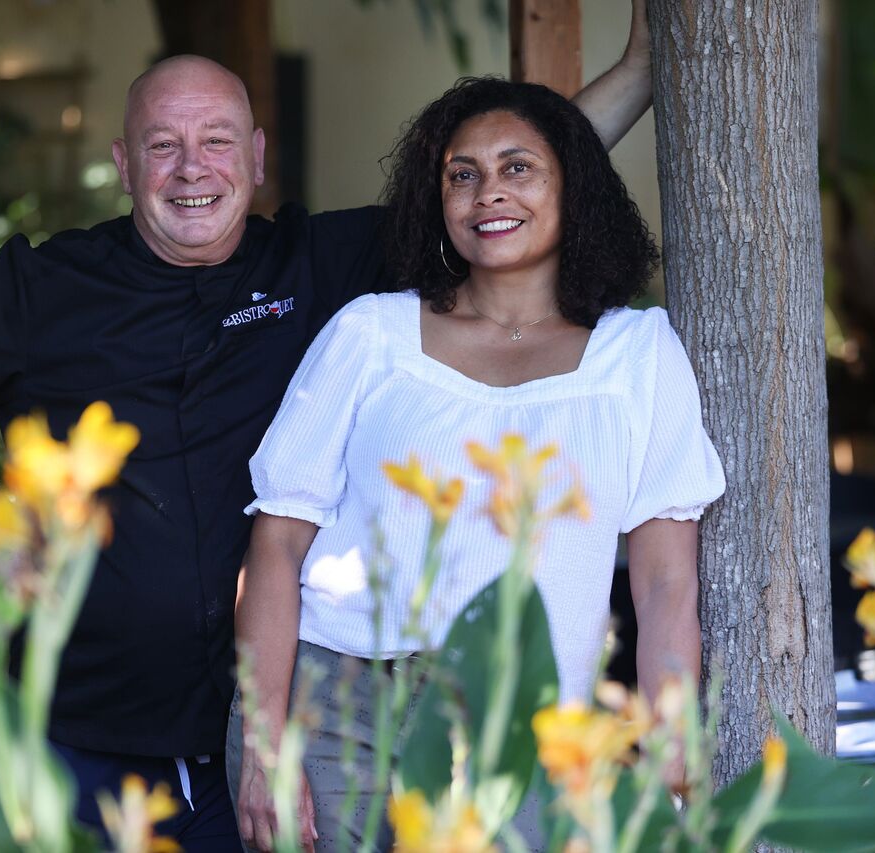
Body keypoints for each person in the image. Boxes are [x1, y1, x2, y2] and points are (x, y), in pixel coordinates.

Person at [0, 12, 654, 849]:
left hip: (263, 737)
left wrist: (644, 66)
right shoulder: (46, 285)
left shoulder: (315, 265)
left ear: (258, 157)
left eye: (218, 141)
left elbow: (515, 182)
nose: (192, 167)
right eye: (162, 145)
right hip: (85, 734)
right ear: (123, 165)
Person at [229, 76, 726, 851]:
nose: (488, 192)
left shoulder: (639, 354)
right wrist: (264, 742)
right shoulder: (370, 335)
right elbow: (277, 540)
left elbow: (666, 580)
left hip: (526, 721)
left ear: (575, 187)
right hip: (340, 705)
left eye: (518, 167)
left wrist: (669, 744)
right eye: (463, 174)